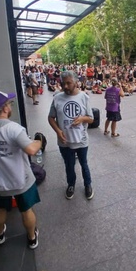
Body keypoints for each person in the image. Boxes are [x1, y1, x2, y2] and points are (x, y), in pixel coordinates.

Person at [0, 90, 41, 249]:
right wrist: (39, 141)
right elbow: (31, 150)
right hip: (20, 181)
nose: (10, 106)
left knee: (0, 208)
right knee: (26, 210)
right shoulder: (13, 129)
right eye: (9, 104)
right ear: (4, 108)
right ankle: (31, 238)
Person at [48, 70, 95, 200]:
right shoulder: (57, 98)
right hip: (64, 141)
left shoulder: (84, 97)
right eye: (63, 84)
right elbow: (51, 118)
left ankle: (88, 185)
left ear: (76, 82)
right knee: (69, 165)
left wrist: (82, 119)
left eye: (69, 83)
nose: (66, 87)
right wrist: (58, 131)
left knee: (84, 164)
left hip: (81, 140)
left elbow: (91, 119)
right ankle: (71, 185)